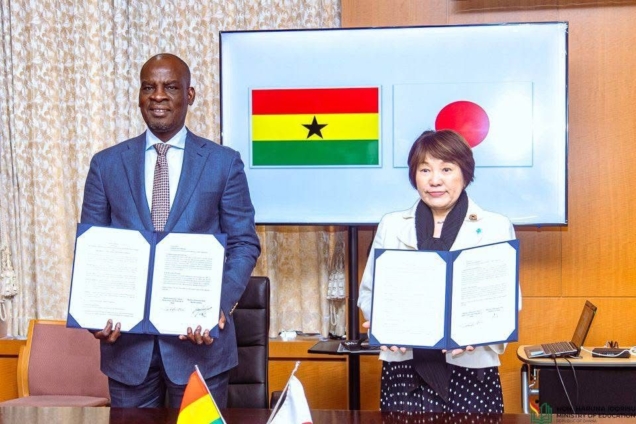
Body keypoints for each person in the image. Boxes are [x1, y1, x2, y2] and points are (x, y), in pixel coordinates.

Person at [80, 53, 261, 408]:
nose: (158, 96)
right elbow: (92, 248)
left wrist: (217, 304)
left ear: (189, 95)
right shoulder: (106, 164)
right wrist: (94, 314)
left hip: (200, 349)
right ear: (139, 96)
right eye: (149, 87)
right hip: (128, 351)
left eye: (170, 87)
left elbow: (243, 244)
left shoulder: (223, 163)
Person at [357, 129, 517, 413]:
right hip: (404, 367)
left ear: (464, 173)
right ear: (414, 175)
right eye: (425, 169)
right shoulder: (391, 225)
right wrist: (384, 324)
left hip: (471, 368)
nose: (434, 180)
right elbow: (369, 292)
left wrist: (479, 333)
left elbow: (508, 301)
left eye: (446, 169)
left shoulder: (495, 227)